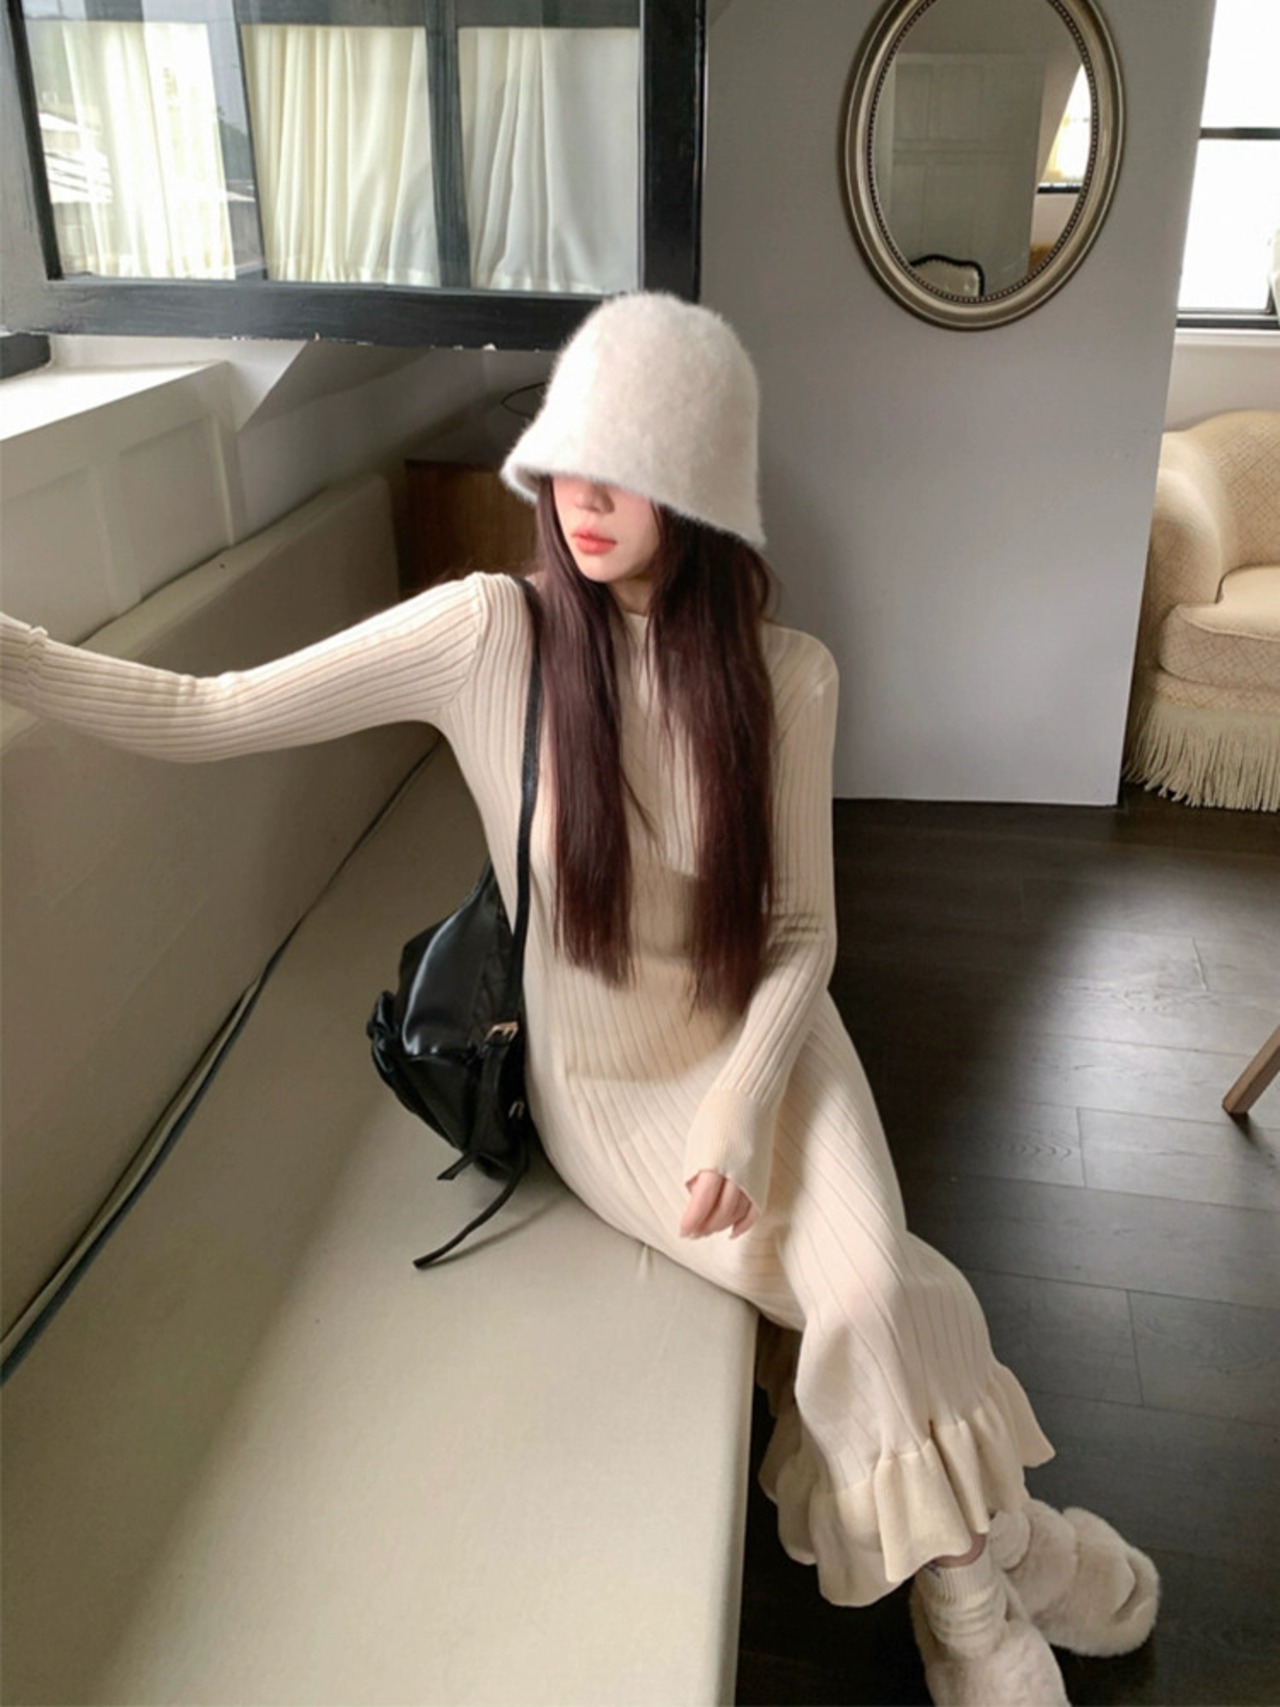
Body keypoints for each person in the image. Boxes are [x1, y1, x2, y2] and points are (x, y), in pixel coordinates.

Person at [0, 291, 1158, 1706]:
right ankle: (989, 1594)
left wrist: (743, 1108)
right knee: (870, 1290)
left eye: (631, 461)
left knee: (873, 1284)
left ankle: (980, 1578)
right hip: (609, 1090)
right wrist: (20, 655)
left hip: (769, 1042)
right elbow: (213, 710)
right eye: (569, 457)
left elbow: (801, 934)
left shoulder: (789, 676)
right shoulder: (490, 636)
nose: (584, 496)